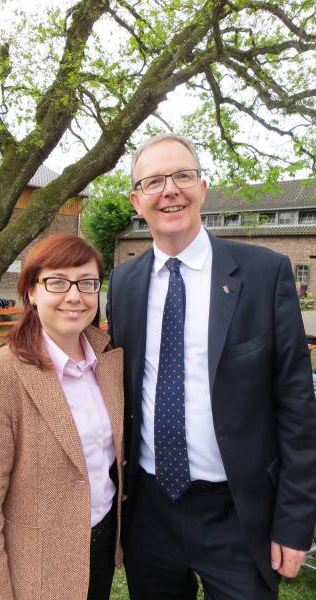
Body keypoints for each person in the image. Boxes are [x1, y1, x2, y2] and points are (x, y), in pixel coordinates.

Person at [106, 133, 316, 599]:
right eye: (154, 181)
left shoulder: (264, 273)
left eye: (182, 175)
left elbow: (298, 405)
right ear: (136, 200)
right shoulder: (123, 282)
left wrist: (296, 520)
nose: (170, 190)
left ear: (202, 187)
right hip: (151, 510)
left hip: (239, 515)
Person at [0, 233, 124, 600]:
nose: (74, 295)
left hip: (99, 551)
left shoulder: (108, 362)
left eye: (87, 283)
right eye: (57, 282)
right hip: (36, 568)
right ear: (32, 291)